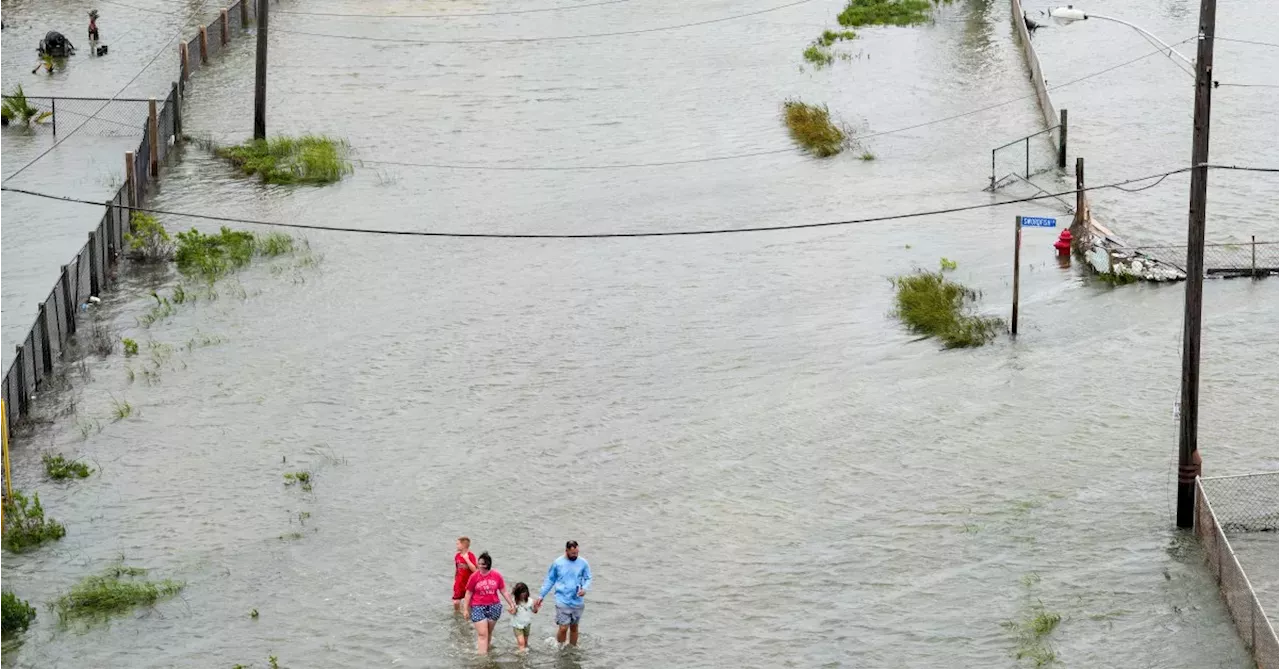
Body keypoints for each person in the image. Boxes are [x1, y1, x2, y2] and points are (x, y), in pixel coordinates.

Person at [533, 540, 592, 647]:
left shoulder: (583, 563)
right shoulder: (558, 563)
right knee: (563, 628)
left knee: (574, 627)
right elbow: (550, 580)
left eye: (577, 553)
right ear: (566, 551)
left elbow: (588, 578)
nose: (575, 555)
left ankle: (572, 649)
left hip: (577, 601)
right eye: (573, 553)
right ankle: (559, 647)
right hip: (562, 600)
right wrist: (541, 595)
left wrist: (585, 589)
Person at [462, 552, 515, 655]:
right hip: (477, 607)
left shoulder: (496, 575)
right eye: (479, 563)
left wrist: (511, 604)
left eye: (483, 564)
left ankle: (487, 650)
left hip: (494, 607)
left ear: (488, 564)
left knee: (488, 633)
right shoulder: (474, 577)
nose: (480, 566)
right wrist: (465, 609)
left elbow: (503, 591)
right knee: (482, 634)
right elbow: (468, 593)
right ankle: (483, 659)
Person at [452, 537, 477, 613]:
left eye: (458, 544)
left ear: (463, 545)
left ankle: (467, 617)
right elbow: (457, 569)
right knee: (456, 602)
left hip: (469, 584)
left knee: (468, 604)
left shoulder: (471, 555)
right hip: (459, 583)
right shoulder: (457, 556)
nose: (456, 545)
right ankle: (457, 614)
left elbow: (475, 570)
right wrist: (455, 580)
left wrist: (467, 559)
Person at [509, 582, 535, 652]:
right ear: (517, 593)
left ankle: (524, 654)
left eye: (524, 592)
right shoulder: (514, 601)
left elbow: (534, 611)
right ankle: (522, 657)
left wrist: (536, 607)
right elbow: (513, 612)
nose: (523, 594)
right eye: (521, 592)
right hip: (517, 625)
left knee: (525, 643)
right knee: (521, 642)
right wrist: (512, 610)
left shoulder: (530, 601)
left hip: (527, 624)